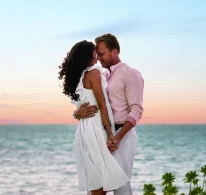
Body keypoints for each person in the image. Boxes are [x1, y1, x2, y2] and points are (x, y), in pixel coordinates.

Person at [74, 34, 144, 195]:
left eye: (102, 54)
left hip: (122, 136)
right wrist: (77, 113)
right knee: (97, 186)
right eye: (97, 55)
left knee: (121, 188)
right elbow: (93, 104)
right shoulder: (102, 76)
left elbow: (136, 110)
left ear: (114, 52)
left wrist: (117, 138)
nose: (98, 58)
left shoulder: (130, 73)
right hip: (102, 136)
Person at [58, 40, 129, 195]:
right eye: (94, 56)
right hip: (96, 130)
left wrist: (76, 114)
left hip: (85, 131)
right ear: (86, 58)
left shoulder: (80, 77)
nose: (97, 59)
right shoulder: (94, 73)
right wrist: (110, 134)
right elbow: (103, 106)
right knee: (100, 185)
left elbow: (81, 108)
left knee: (96, 183)